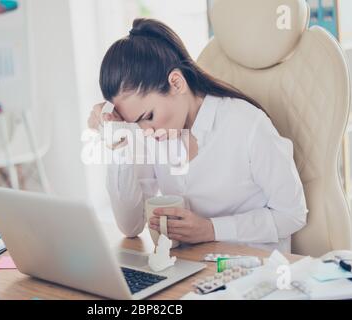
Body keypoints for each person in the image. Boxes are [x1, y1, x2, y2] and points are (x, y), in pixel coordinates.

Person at [87, 18, 308, 253]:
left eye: (148, 116)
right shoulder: (153, 135)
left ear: (176, 82)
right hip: (188, 270)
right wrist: (117, 145)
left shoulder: (246, 124)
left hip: (253, 271)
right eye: (135, 123)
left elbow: (292, 214)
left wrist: (211, 229)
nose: (145, 131)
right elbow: (130, 227)